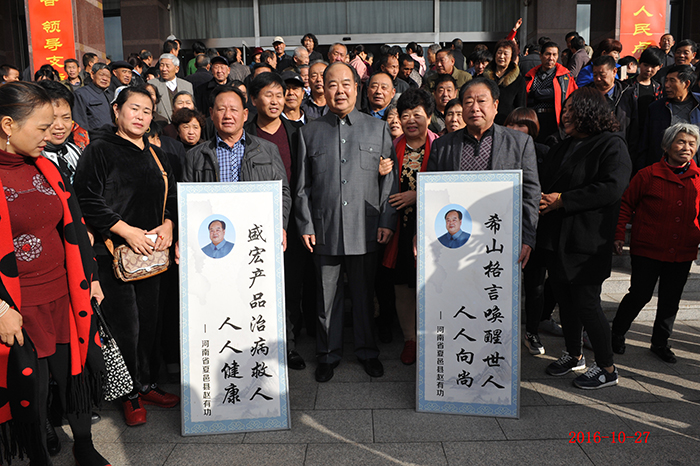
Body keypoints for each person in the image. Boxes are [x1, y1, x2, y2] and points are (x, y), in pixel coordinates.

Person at [0, 81, 109, 465]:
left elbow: (74, 225)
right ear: (8, 125)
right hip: (17, 305)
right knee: (32, 386)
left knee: (74, 372)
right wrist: (1, 309)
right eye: (42, 127)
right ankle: (37, 456)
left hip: (64, 295)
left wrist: (91, 276)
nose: (50, 135)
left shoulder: (47, 166)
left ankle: (84, 444)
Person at [74, 86, 180, 426]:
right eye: (134, 108)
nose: (140, 116)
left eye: (147, 111)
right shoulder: (99, 150)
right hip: (114, 255)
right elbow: (87, 200)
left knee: (151, 322)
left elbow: (172, 197)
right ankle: (128, 394)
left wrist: (169, 224)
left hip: (152, 255)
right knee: (126, 327)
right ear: (116, 110)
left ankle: (147, 383)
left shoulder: (157, 154)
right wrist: (126, 231)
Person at [295, 62, 398, 383]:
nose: (339, 91)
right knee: (326, 298)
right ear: (322, 89)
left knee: (364, 295)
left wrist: (386, 219)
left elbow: (389, 181)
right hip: (324, 228)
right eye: (332, 85)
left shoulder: (377, 129)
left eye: (345, 84)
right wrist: (306, 225)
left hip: (365, 226)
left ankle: (367, 351)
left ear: (356, 88)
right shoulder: (309, 132)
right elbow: (302, 186)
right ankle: (327, 354)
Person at [538, 87, 631, 389]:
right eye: (564, 110)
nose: (564, 115)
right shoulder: (563, 145)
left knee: (586, 303)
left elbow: (611, 188)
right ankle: (574, 354)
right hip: (556, 239)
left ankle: (606, 367)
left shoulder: (612, 145)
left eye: (571, 111)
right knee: (564, 301)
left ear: (588, 112)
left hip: (587, 241)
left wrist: (563, 200)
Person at [611, 123, 700, 363]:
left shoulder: (698, 178)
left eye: (692, 144)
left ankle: (660, 342)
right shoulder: (648, 174)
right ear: (667, 146)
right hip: (648, 248)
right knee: (640, 294)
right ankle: (616, 332)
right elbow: (626, 204)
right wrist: (618, 234)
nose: (687, 148)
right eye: (681, 142)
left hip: (682, 250)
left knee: (671, 299)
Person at [428, 77, 539, 266]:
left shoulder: (519, 143)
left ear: (495, 105)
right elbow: (431, 195)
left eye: (481, 101)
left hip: (502, 236)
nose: (475, 108)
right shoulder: (442, 145)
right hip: (457, 241)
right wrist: (423, 234)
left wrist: (527, 238)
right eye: (468, 102)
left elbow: (530, 194)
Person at [378, 88, 437, 365]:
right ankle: (410, 339)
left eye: (417, 114)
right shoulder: (391, 147)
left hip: (433, 228)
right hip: (400, 228)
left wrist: (418, 194)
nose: (411, 120)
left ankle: (432, 337)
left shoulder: (442, 146)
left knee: (432, 285)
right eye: (405, 115)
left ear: (430, 117)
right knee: (402, 286)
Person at [638, 65, 700, 170]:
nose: (667, 85)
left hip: (694, 170)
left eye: (672, 81)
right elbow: (645, 143)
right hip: (662, 169)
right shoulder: (656, 108)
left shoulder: (698, 105)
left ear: (686, 84)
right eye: (666, 80)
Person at [524, 41, 578, 143]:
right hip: (534, 118)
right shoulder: (531, 75)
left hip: (555, 119)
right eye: (548, 54)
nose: (551, 58)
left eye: (554, 55)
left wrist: (535, 93)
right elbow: (525, 94)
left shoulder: (565, 76)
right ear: (541, 55)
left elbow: (557, 94)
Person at [481, 39, 526, 125]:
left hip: (508, 124)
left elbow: (520, 107)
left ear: (512, 57)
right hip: (485, 123)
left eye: (505, 54)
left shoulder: (519, 80)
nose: (501, 56)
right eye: (499, 53)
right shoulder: (483, 78)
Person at [148, 53, 194, 122]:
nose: (164, 69)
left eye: (167, 66)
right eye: (161, 65)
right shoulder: (152, 84)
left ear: (177, 69)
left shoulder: (187, 85)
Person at [73, 62, 113, 131]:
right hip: (94, 136)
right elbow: (79, 122)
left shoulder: (111, 94)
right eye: (101, 75)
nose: (105, 78)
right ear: (92, 75)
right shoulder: (81, 94)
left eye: (108, 76)